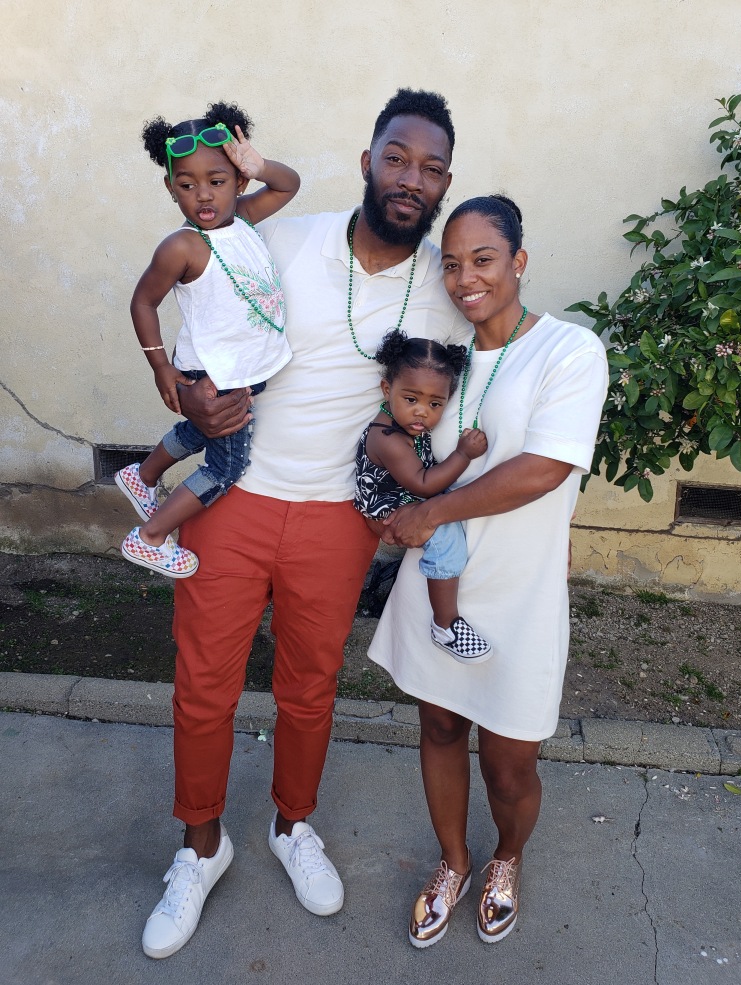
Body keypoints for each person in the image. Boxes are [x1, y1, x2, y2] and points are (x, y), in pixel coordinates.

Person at [140, 89, 470, 960]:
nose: (412, 178)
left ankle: (292, 826)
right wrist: (190, 394)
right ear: (368, 163)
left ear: (443, 185)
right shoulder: (282, 234)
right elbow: (190, 309)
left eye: (432, 168)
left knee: (310, 688)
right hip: (233, 500)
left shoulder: (443, 286)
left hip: (338, 519)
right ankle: (201, 846)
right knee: (204, 683)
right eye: (397, 158)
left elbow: (485, 371)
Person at [368, 194, 608, 948]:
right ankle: (453, 860)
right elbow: (396, 425)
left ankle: (507, 855)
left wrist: (431, 513)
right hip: (438, 586)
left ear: (519, 263)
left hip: (522, 591)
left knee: (510, 763)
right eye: (451, 262)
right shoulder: (447, 353)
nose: (465, 277)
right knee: (439, 724)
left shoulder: (569, 351)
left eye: (483, 259)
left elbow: (542, 469)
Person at [116, 102, 298, 578]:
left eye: (216, 181)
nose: (203, 196)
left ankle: (143, 474)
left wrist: (259, 166)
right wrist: (161, 367)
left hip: (243, 365)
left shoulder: (243, 218)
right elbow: (142, 302)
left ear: (239, 180)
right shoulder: (184, 245)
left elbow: (288, 183)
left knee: (201, 431)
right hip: (216, 373)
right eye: (186, 184)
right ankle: (150, 537)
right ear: (170, 187)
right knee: (225, 467)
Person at [354, 330, 492, 662]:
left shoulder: (404, 425)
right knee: (445, 535)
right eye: (411, 399)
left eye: (435, 404)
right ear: (387, 390)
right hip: (388, 509)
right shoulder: (388, 438)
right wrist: (463, 454)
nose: (422, 413)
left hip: (404, 496)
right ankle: (445, 624)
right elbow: (423, 485)